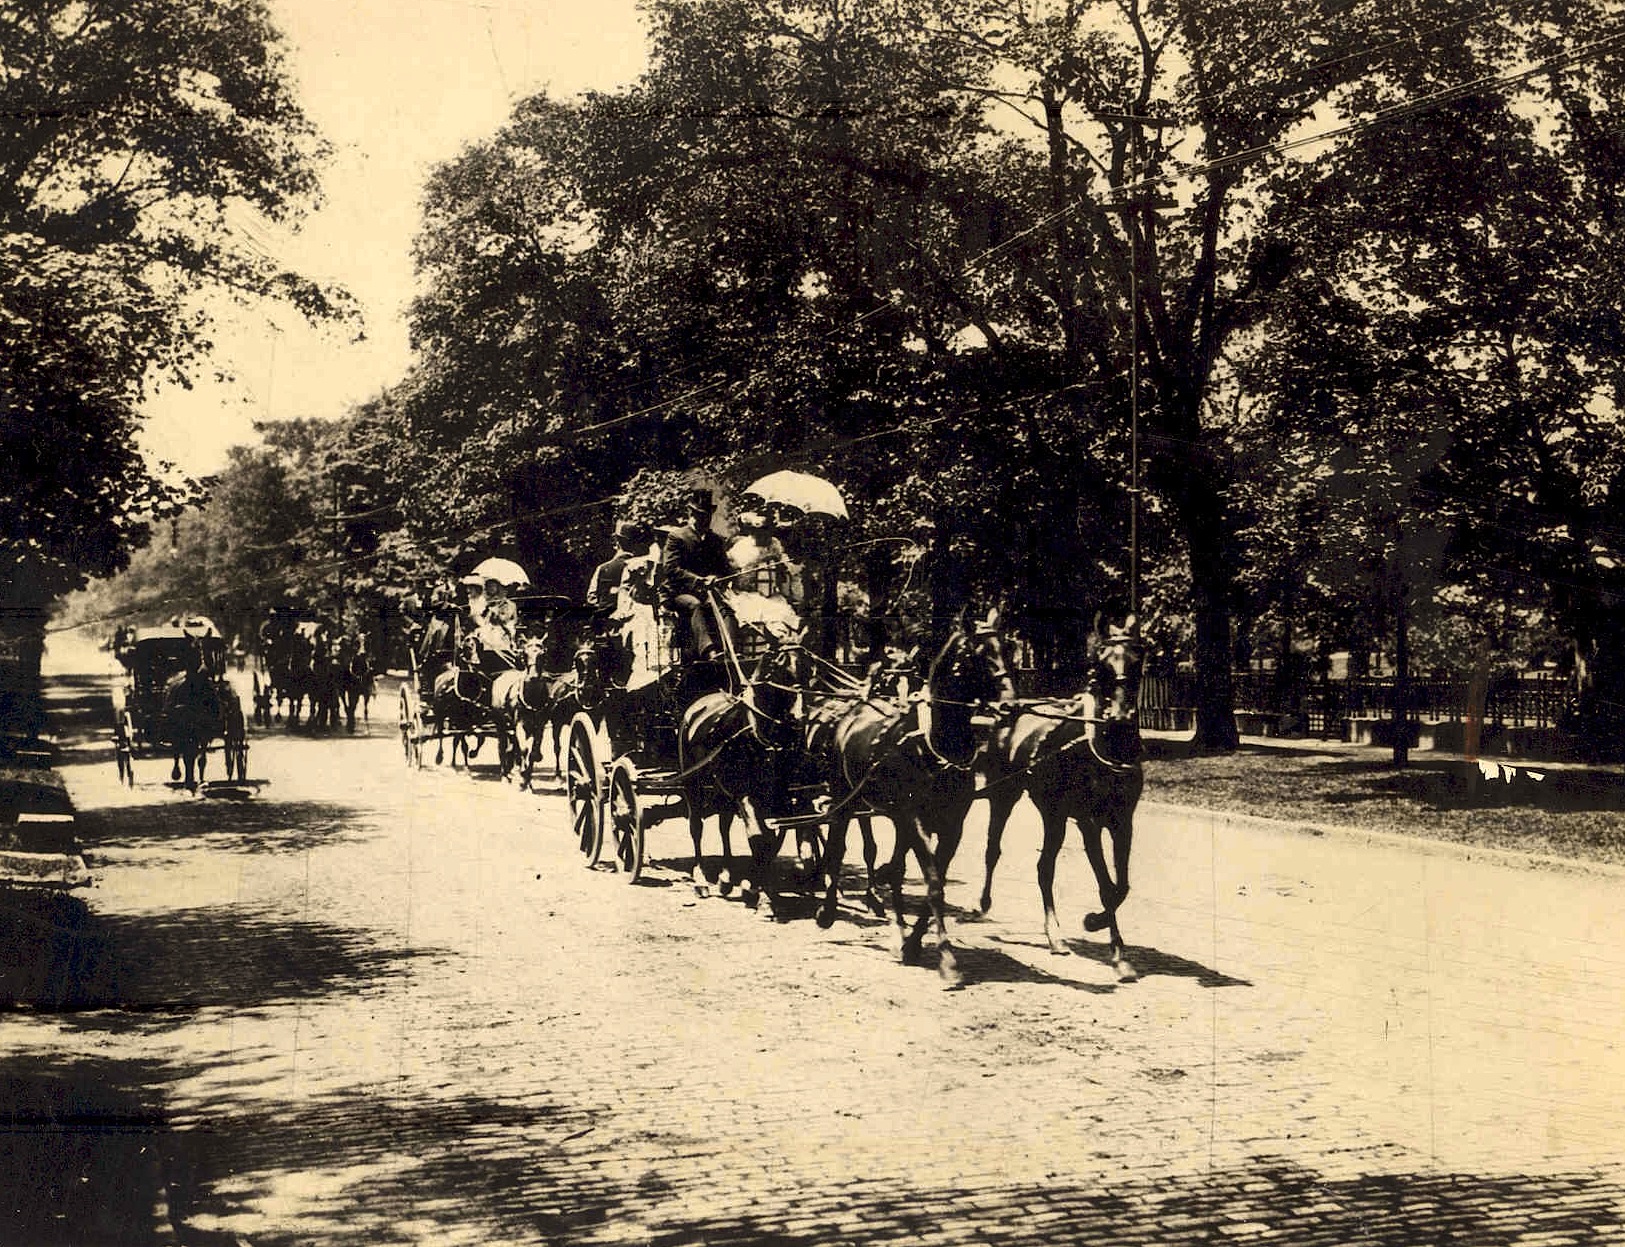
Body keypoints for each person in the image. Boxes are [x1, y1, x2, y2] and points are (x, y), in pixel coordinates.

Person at [657, 488, 733, 661]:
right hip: (677, 592)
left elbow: (725, 568)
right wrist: (698, 580)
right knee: (695, 605)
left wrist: (715, 577)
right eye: (700, 515)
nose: (704, 519)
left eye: (707, 515)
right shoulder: (677, 537)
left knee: (726, 609)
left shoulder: (715, 540)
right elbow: (671, 569)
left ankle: (732, 651)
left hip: (706, 591)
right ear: (691, 513)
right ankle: (709, 650)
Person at [588, 520, 650, 613]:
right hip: (634, 618)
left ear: (617, 542)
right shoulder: (642, 567)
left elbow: (591, 598)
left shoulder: (602, 568)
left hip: (605, 618)